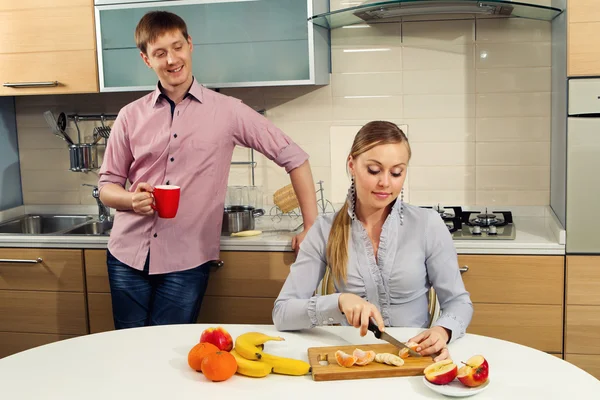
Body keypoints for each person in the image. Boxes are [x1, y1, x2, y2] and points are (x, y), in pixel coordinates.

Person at [98, 11, 318, 329]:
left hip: (187, 261)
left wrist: (311, 225)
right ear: (146, 59)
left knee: (170, 349)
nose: (172, 59)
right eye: (160, 53)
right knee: (127, 350)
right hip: (127, 255)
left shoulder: (227, 111)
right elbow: (108, 186)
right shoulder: (130, 116)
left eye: (177, 47)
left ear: (190, 45)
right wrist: (132, 200)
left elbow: (294, 156)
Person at [272, 121, 473, 361]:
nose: (385, 183)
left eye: (397, 172)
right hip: (352, 359)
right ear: (352, 165)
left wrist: (443, 331)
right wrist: (337, 302)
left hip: (414, 358)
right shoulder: (324, 229)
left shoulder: (428, 224)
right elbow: (282, 312)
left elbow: (458, 302)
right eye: (374, 170)